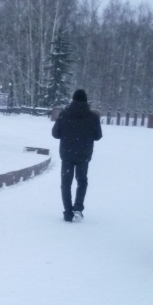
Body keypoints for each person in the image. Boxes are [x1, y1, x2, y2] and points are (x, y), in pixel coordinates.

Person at [51, 89, 102, 222]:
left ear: (72, 100)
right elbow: (98, 136)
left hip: (67, 154)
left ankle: (68, 212)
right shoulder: (93, 117)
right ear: (86, 101)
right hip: (83, 155)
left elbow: (55, 134)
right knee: (82, 181)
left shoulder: (64, 115)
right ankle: (78, 208)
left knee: (66, 183)